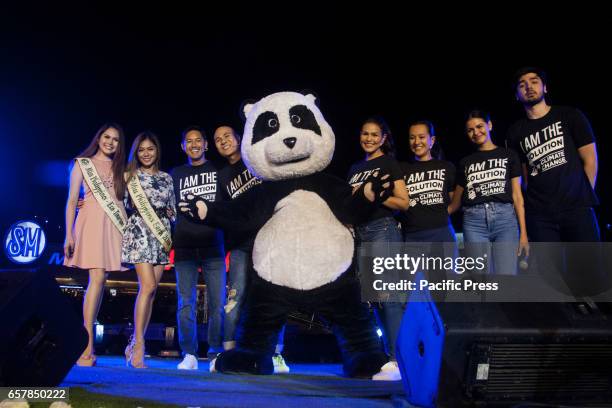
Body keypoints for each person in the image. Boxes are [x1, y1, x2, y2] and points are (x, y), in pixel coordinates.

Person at [213, 125, 289, 373]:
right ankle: (228, 355)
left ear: (238, 138)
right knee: (234, 300)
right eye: (217, 140)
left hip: (268, 240)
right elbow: (223, 213)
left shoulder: (257, 159)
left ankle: (275, 354)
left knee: (272, 297)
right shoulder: (222, 176)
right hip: (239, 246)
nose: (223, 141)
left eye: (227, 136)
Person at [347, 116, 409, 381]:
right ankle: (385, 359)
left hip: (382, 230)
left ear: (383, 138)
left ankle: (397, 361)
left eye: (374, 135)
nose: (369, 139)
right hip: (360, 234)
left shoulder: (388, 163)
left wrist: (375, 193)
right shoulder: (355, 167)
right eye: (365, 134)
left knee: (389, 297)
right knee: (372, 300)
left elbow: (403, 203)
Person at [506, 67, 600, 242]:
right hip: (540, 216)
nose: (529, 87)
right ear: (516, 95)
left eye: (534, 81)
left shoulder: (570, 115)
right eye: (522, 85)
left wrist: (582, 196)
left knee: (589, 267)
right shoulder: (515, 132)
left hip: (577, 209)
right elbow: (524, 176)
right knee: (549, 269)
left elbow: (590, 159)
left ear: (545, 87)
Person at [64, 123, 127, 367]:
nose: (110, 142)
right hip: (90, 223)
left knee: (100, 281)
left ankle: (86, 340)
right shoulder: (82, 163)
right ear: (98, 138)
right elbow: (71, 201)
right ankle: (86, 342)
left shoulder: (122, 168)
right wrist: (69, 234)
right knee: (98, 278)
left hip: (114, 226)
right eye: (107, 137)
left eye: (116, 139)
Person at [171, 126, 226, 371]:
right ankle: (189, 354)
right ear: (183, 146)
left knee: (218, 303)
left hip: (214, 246)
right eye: (188, 141)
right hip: (183, 247)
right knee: (185, 303)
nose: (194, 144)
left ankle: (215, 354)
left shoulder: (219, 171)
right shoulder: (176, 173)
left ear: (206, 145)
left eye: (198, 140)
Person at [449, 110, 529, 275]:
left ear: (490, 125)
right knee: (481, 281)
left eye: (479, 126)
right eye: (470, 130)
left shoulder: (509, 155)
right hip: (474, 222)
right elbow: (456, 202)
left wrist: (524, 234)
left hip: (505, 220)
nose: (476, 132)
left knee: (506, 278)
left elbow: (517, 196)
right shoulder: (465, 162)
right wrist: (435, 213)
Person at [122, 131, 175, 368]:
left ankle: (134, 342)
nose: (146, 153)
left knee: (152, 292)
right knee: (148, 286)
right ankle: (139, 344)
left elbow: (172, 210)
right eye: (141, 149)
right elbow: (120, 205)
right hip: (139, 233)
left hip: (161, 234)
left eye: (150, 149)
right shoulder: (128, 176)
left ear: (157, 151)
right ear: (136, 153)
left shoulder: (166, 178)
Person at [400, 121, 457, 280]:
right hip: (413, 236)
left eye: (421, 137)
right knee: (416, 292)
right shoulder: (402, 169)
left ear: (432, 140)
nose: (417, 142)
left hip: (442, 233)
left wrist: (447, 212)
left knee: (445, 289)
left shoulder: (446, 167)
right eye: (412, 138)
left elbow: (455, 198)